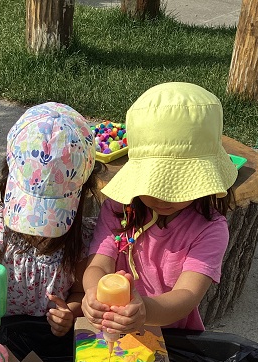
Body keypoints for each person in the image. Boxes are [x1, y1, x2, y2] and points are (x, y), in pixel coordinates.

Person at [82, 82, 238, 336]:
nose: (162, 196)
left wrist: (144, 311)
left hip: (172, 337)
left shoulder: (210, 229)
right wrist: (93, 293)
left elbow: (187, 295)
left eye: (178, 184)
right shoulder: (120, 209)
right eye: (154, 183)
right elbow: (99, 265)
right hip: (115, 329)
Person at [0, 102, 103, 362]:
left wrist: (68, 312)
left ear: (82, 195)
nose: (38, 231)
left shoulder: (82, 239)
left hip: (47, 337)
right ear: (7, 178)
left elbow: (81, 293)